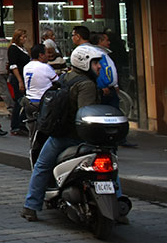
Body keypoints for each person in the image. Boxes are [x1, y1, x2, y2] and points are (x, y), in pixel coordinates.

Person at [21, 44, 121, 223]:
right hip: (79, 136)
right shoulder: (87, 85)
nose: (99, 66)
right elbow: (86, 113)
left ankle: (31, 206)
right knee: (112, 165)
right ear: (84, 63)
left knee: (42, 165)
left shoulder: (66, 78)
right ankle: (119, 203)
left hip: (64, 135)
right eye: (96, 63)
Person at [7, 28, 31, 135]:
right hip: (18, 78)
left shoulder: (23, 48)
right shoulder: (13, 49)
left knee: (25, 101)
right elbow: (13, 66)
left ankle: (21, 122)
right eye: (23, 37)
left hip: (24, 77)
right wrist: (20, 80)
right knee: (20, 101)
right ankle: (15, 125)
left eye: (25, 37)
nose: (25, 39)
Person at [90, 31, 120, 110]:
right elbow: (96, 71)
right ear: (100, 41)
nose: (109, 42)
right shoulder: (96, 54)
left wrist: (115, 85)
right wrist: (102, 85)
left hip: (111, 88)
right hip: (105, 90)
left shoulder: (104, 53)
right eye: (107, 40)